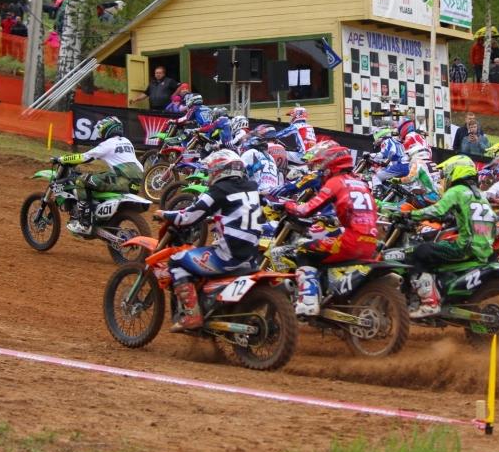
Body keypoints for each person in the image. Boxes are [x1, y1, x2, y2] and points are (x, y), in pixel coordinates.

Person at [156, 149, 264, 332]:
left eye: (212, 170)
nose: (210, 174)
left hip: (228, 256)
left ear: (221, 170)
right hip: (252, 257)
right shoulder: (252, 187)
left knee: (176, 260)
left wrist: (164, 214)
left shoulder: (219, 190)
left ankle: (192, 315)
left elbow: (188, 216)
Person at [284, 145, 379, 316]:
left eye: (322, 166)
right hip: (371, 242)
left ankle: (308, 302)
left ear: (332, 165)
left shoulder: (336, 182)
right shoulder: (362, 184)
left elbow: (306, 210)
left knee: (304, 249)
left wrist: (289, 205)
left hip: (351, 241)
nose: (321, 171)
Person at [405, 155, 497, 317]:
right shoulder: (480, 195)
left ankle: (429, 303)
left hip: (465, 248)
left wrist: (411, 215)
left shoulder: (457, 191)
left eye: (447, 173)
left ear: (456, 171)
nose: (445, 177)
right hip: (485, 249)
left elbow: (437, 210)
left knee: (420, 251)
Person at [54, 117, 144, 235]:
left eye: (101, 129)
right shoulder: (126, 141)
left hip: (123, 180)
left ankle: (84, 223)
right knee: (97, 177)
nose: (100, 133)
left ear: (108, 129)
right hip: (136, 182)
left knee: (81, 180)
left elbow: (85, 157)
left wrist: (62, 159)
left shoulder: (108, 144)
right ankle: (97, 211)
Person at [239, 125, 283, 194]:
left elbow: (238, 170)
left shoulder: (251, 152)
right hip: (273, 192)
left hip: (259, 193)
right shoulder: (270, 157)